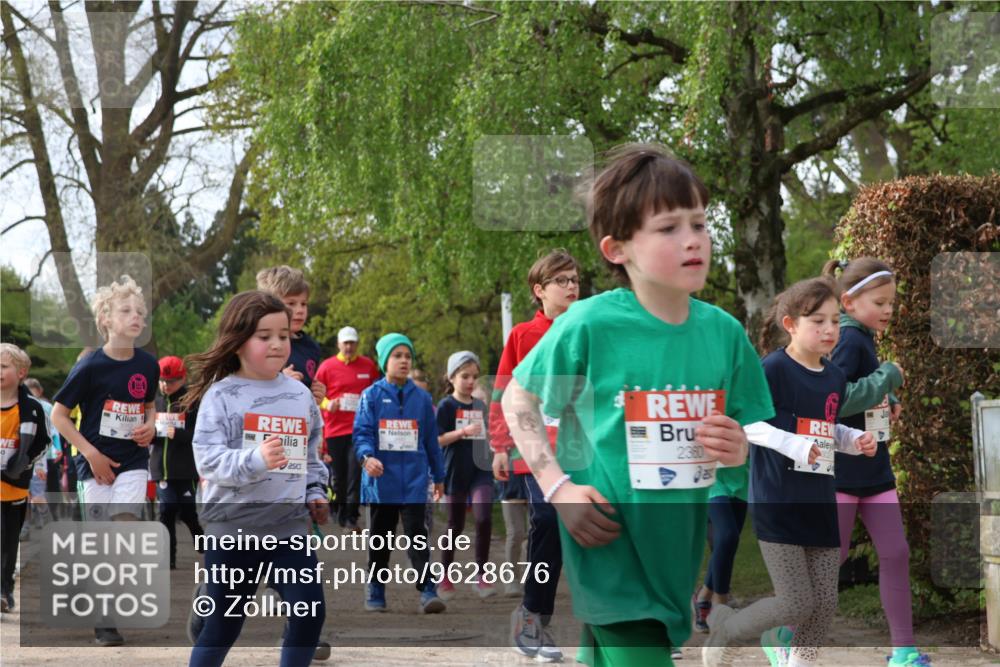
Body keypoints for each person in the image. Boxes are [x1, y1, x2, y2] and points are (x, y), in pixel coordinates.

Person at [502, 144, 774, 667]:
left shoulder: (724, 334)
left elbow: (744, 437)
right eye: (669, 228)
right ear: (617, 248)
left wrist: (737, 448)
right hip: (605, 542)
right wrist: (557, 488)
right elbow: (519, 398)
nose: (692, 239)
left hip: (674, 560)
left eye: (699, 223)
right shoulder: (588, 323)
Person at [702, 276, 877, 667]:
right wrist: (794, 444)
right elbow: (749, 423)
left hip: (820, 500)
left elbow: (823, 427)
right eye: (818, 321)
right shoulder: (772, 369)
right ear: (790, 325)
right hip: (777, 500)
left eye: (835, 320)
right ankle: (727, 628)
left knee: (825, 602)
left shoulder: (833, 375)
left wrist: (852, 440)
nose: (830, 329)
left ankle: (800, 661)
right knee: (796, 601)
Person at [185, 290, 329, 667]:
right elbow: (209, 461)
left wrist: (316, 490)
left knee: (309, 609)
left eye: (283, 336)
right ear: (238, 341)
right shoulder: (221, 396)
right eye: (264, 336)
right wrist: (256, 459)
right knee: (223, 623)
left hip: (288, 527)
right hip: (232, 528)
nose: (278, 344)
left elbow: (311, 455)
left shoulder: (300, 395)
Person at [823, 257, 929, 667]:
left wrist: (890, 398)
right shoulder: (849, 339)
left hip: (874, 472)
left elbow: (861, 389)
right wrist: (888, 376)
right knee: (830, 559)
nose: (888, 310)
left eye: (891, 303)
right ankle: (786, 638)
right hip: (845, 472)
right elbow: (838, 400)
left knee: (896, 553)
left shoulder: (864, 338)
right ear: (848, 301)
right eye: (880, 302)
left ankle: (903, 651)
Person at [50, 276, 159, 647]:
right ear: (106, 319)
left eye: (140, 312)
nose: (135, 317)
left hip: (132, 461)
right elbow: (59, 416)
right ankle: (104, 620)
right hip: (94, 464)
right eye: (126, 310)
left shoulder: (148, 364)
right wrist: (91, 453)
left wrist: (149, 424)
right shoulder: (90, 366)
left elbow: (149, 406)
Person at [489, 249, 580, 661]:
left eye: (575, 279)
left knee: (594, 528)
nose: (572, 287)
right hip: (535, 448)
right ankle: (531, 618)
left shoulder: (587, 329)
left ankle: (619, 626)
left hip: (583, 448)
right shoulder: (523, 335)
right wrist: (500, 446)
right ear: (539, 290)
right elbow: (502, 392)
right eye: (562, 280)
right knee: (546, 518)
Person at [352, 333, 446, 614]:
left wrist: (439, 477)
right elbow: (362, 434)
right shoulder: (371, 396)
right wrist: (367, 458)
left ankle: (428, 589)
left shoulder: (422, 398)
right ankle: (376, 588)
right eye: (397, 356)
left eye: (408, 356)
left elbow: (431, 441)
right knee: (381, 539)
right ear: (384, 361)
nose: (404, 361)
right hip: (382, 483)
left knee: (418, 535)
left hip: (416, 482)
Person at [436, 351, 495, 601]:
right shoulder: (446, 406)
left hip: (480, 471)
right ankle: (445, 576)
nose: (470, 381)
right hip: (455, 471)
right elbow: (437, 439)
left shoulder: (480, 405)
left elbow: (489, 434)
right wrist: (462, 433)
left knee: (483, 517)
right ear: (451, 378)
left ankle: (481, 575)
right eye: (464, 376)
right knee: (455, 525)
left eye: (474, 376)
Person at [0, 344, 51, 613]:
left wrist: (23, 463)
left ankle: (5, 590)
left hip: (14, 487)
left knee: (8, 542)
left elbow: (42, 442)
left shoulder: (31, 408)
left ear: (21, 373)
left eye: (3, 367)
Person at [315, 326, 378, 531]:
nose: (349, 346)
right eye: (345, 343)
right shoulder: (327, 366)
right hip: (333, 429)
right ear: (339, 344)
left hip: (358, 429)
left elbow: (376, 392)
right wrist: (327, 404)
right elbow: (314, 393)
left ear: (357, 344)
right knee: (339, 476)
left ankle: (351, 517)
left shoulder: (368, 366)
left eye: (352, 342)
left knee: (354, 474)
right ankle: (338, 511)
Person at [151, 355, 204, 570]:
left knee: (188, 512)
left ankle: (201, 539)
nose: (165, 385)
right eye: (162, 381)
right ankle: (168, 558)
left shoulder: (192, 402)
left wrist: (180, 434)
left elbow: (202, 434)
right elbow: (146, 431)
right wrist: (151, 433)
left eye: (171, 382)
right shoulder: (153, 402)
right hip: (161, 467)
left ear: (183, 379)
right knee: (167, 510)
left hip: (185, 468)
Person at [257, 265, 326, 404]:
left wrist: (315, 397)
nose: (300, 310)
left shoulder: (311, 347)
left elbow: (304, 398)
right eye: (291, 303)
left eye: (304, 303)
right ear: (269, 304)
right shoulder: (255, 342)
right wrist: (279, 381)